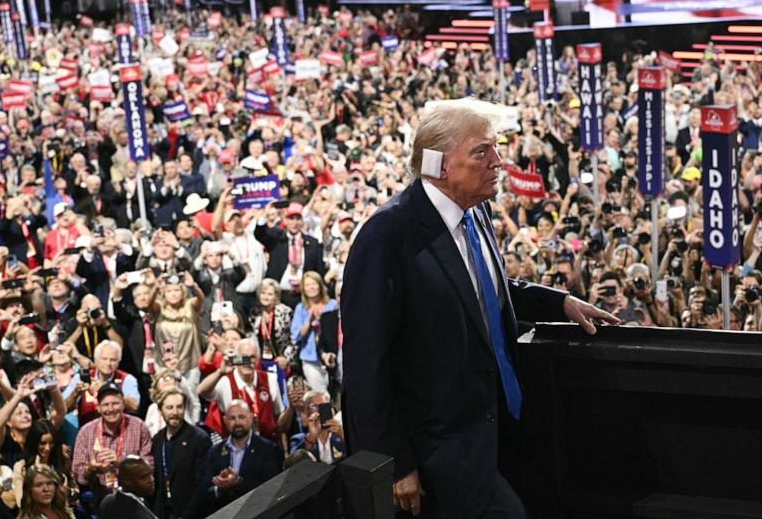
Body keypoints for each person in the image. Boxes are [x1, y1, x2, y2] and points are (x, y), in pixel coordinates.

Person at [341, 99, 619, 518]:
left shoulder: (477, 212)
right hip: (440, 450)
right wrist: (395, 462)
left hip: (497, 430)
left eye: (496, 148)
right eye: (482, 151)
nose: (499, 162)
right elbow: (365, 363)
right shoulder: (387, 235)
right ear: (439, 165)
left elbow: (483, 289)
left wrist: (558, 301)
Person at [71, 383, 152, 498]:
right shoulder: (86, 432)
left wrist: (122, 462)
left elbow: (149, 466)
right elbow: (78, 474)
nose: (110, 409)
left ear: (123, 405)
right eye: (105, 405)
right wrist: (91, 468)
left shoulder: (139, 426)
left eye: (115, 404)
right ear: (98, 408)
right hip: (98, 498)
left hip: (133, 496)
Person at [202, 400, 282, 513]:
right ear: (225, 420)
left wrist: (238, 482)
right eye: (232, 418)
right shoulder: (215, 451)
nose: (237, 422)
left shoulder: (268, 449)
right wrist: (221, 488)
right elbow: (205, 491)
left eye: (241, 417)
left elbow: (272, 488)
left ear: (250, 418)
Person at [151, 387, 210, 519]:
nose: (175, 412)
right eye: (169, 407)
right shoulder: (157, 439)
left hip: (190, 513)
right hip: (163, 512)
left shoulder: (199, 438)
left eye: (179, 407)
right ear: (160, 410)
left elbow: (201, 484)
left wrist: (186, 515)